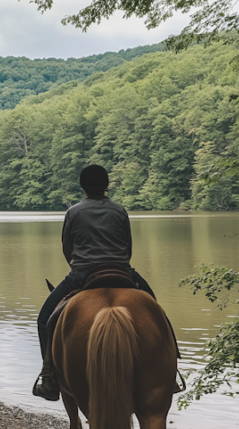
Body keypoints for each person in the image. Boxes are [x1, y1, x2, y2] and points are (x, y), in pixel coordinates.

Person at [33, 164, 166, 401]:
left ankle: (49, 377)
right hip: (122, 270)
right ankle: (168, 373)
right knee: (157, 311)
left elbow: (67, 249)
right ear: (107, 185)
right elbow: (128, 247)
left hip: (82, 273)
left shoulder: (73, 212)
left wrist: (78, 266)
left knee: (45, 320)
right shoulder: (119, 210)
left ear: (82, 186)